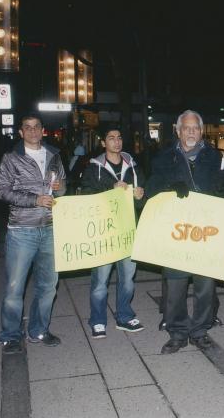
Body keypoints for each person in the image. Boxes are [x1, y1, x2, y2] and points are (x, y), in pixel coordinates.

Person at [147, 110, 224, 353]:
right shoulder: (164, 158)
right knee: (175, 283)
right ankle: (177, 332)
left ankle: (200, 330)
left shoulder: (216, 157)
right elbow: (151, 188)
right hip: (176, 231)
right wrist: (168, 187)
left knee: (205, 283)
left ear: (202, 131)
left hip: (205, 231)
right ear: (178, 131)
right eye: (186, 128)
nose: (191, 132)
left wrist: (221, 192)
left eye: (195, 128)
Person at [0, 113, 66, 353]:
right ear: (21, 132)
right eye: (28, 127)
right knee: (15, 288)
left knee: (48, 285)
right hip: (21, 230)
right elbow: (1, 190)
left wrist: (60, 188)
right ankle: (11, 335)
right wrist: (34, 200)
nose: (33, 131)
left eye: (37, 127)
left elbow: (63, 187)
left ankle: (39, 329)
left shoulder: (54, 155)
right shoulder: (12, 157)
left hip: (50, 228)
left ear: (43, 130)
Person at [80, 125, 146, 339]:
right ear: (103, 143)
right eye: (111, 138)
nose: (116, 141)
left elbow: (144, 200)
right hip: (104, 233)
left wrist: (140, 196)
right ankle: (98, 320)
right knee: (101, 280)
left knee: (128, 278)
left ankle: (124, 316)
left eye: (119, 137)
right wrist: (111, 192)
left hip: (128, 230)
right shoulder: (93, 169)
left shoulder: (134, 167)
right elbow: (87, 198)